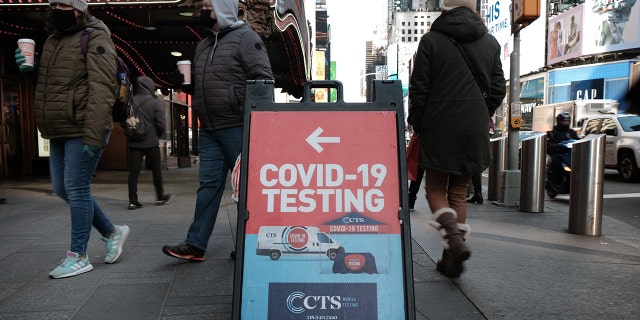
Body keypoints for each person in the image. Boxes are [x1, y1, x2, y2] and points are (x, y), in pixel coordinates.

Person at [14, 0, 129, 279]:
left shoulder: (95, 35)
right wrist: (33, 67)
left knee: (76, 189)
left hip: (83, 127)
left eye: (63, 5)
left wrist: (94, 134)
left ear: (78, 8)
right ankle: (113, 232)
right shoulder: (54, 39)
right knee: (63, 188)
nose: (57, 10)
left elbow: (102, 89)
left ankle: (78, 255)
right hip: (59, 127)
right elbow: (55, 85)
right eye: (53, 4)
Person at [162, 0, 273, 261]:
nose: (202, 11)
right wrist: (187, 86)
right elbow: (204, 85)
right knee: (208, 186)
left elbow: (264, 79)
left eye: (207, 6)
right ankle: (196, 244)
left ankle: (249, 243)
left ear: (223, 8)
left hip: (237, 126)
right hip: (209, 129)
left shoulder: (246, 38)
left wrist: (253, 117)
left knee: (246, 188)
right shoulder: (204, 44)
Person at [408, 0, 506, 278]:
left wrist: (419, 121)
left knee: (435, 188)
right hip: (474, 125)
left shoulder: (431, 40)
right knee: (459, 193)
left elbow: (419, 87)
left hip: (439, 124)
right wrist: (480, 113)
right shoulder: (490, 43)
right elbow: (498, 87)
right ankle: (450, 257)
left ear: (443, 11)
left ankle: (453, 239)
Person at [126, 76, 171, 210]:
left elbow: (125, 120)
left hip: (134, 143)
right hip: (151, 142)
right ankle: (159, 197)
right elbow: (161, 124)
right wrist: (155, 135)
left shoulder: (131, 101)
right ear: (150, 86)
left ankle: (133, 201)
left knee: (133, 173)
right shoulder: (154, 103)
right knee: (156, 170)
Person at [547, 112, 579, 185]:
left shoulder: (572, 132)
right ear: (559, 121)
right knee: (556, 162)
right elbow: (548, 141)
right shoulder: (553, 132)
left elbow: (578, 140)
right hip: (558, 153)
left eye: (567, 121)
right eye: (564, 121)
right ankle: (555, 182)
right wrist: (552, 144)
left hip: (569, 153)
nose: (566, 122)